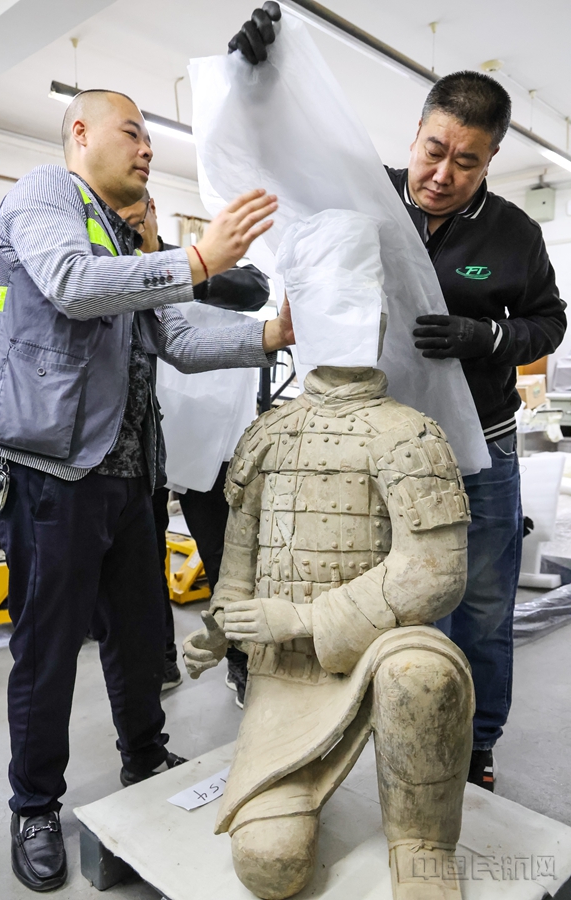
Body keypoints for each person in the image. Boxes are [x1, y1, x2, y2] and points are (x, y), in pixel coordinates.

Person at [228, 6, 567, 791]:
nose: (444, 173)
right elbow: (284, 156)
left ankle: (475, 746)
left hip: (481, 447)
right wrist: (255, 79)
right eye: (434, 150)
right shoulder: (365, 197)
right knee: (400, 598)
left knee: (483, 606)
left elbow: (548, 322)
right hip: (380, 448)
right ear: (416, 135)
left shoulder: (514, 233)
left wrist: (487, 337)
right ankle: (399, 731)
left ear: (491, 160)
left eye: (467, 162)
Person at [0, 88, 293, 892]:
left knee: (140, 636)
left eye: (151, 138)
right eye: (134, 133)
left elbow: (177, 339)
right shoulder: (45, 194)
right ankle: (34, 804)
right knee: (49, 650)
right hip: (53, 473)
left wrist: (269, 335)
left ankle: (144, 754)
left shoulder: (125, 240)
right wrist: (196, 261)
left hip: (127, 476)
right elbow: (70, 284)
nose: (148, 149)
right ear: (81, 133)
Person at [183, 209, 475, 900]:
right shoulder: (267, 433)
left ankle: (422, 846)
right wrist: (220, 629)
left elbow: (435, 573)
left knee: (419, 674)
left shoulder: (409, 435)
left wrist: (305, 617)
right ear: (297, 315)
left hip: (382, 649)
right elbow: (240, 565)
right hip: (288, 675)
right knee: (270, 867)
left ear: (380, 318)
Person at [119, 190, 266, 703]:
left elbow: (256, 289)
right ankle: (159, 659)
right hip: (140, 439)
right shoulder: (111, 272)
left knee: (225, 553)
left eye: (138, 213)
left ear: (154, 213)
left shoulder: (191, 263)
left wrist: (181, 273)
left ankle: (241, 659)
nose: (131, 223)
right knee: (143, 557)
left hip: (208, 439)